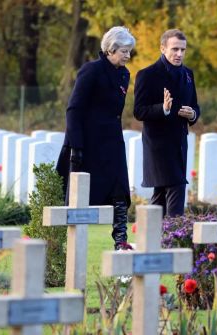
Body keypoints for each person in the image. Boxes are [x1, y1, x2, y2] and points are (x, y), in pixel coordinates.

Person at [56, 26, 135, 249]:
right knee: (75, 198)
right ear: (110, 50)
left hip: (112, 143)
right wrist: (77, 147)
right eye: (124, 51)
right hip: (87, 143)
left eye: (130, 51)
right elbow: (74, 109)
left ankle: (121, 241)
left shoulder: (123, 74)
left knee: (120, 190)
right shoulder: (91, 71)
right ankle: (64, 247)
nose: (128, 56)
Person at [133, 29, 200, 217]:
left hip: (179, 144)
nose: (179, 54)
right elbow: (139, 111)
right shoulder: (147, 75)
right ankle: (174, 238)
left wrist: (192, 114)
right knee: (176, 187)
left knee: (161, 196)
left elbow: (195, 105)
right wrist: (163, 109)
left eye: (183, 50)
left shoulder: (188, 74)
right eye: (175, 49)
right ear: (163, 48)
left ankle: (151, 238)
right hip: (158, 146)